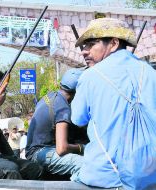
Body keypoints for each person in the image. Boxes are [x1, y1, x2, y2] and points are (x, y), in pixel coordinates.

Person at [70, 18, 156, 188]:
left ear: (114, 43)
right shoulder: (151, 73)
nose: (84, 51)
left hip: (105, 177)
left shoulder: (90, 76)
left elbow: (78, 119)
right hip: (149, 175)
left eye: (91, 44)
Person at [26, 68, 86, 179]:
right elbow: (62, 148)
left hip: (34, 150)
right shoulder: (63, 108)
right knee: (85, 165)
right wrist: (81, 148)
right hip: (39, 153)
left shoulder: (50, 96)